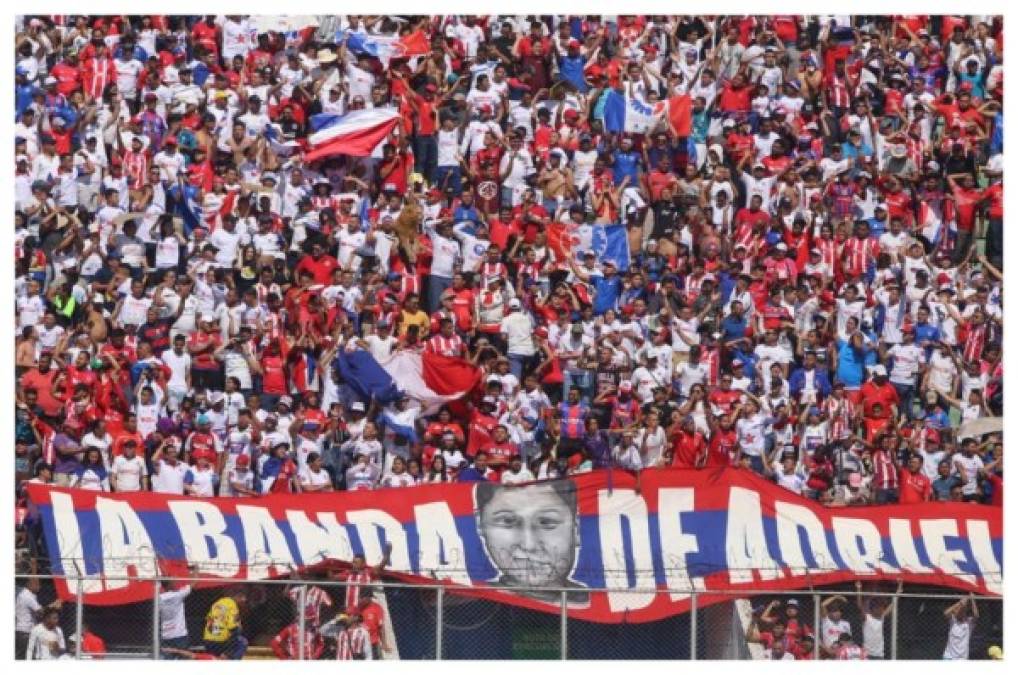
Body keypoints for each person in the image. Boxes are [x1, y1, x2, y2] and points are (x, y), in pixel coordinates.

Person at [475, 480, 587, 603]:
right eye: (507, 521)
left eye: (546, 522)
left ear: (576, 529)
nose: (529, 545)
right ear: (480, 525)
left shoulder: (597, 601)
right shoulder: (476, 600)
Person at [202, 588, 248, 659]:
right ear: (237, 596)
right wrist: (228, 652)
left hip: (208, 639)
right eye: (243, 597)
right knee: (243, 641)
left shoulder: (217, 603)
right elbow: (233, 628)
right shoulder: (232, 605)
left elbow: (208, 619)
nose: (244, 600)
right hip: (221, 641)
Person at [943, 595, 979, 660]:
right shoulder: (953, 621)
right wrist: (960, 603)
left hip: (962, 658)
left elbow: (976, 615)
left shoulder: (968, 623)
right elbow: (946, 613)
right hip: (949, 656)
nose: (961, 612)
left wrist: (972, 599)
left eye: (963, 610)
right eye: (959, 610)